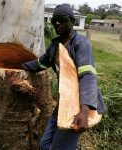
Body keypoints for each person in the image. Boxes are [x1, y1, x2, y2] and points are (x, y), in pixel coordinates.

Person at [21, 4, 107, 150]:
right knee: (44, 145)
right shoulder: (55, 45)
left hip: (78, 106)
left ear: (72, 21)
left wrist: (84, 110)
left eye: (61, 19)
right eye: (54, 20)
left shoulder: (81, 44)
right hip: (63, 105)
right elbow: (41, 64)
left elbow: (88, 76)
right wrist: (18, 64)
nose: (57, 23)